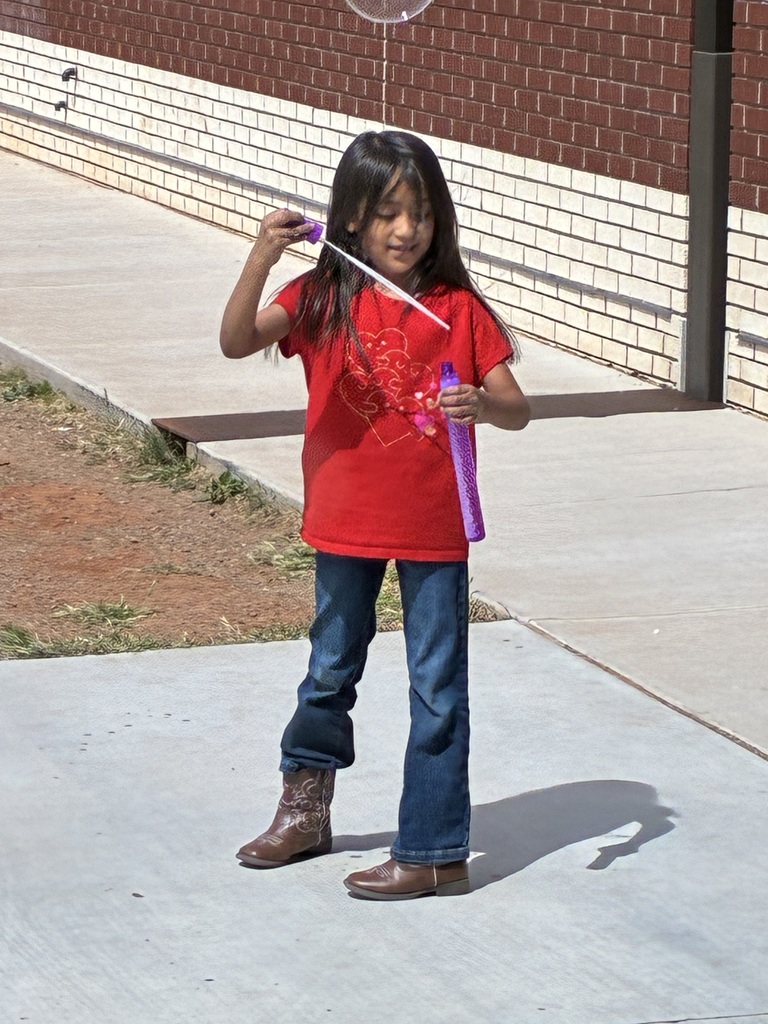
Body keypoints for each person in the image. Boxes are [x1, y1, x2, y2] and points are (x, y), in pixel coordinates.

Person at [219, 130, 530, 900]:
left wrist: (481, 405)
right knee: (329, 670)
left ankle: (431, 850)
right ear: (351, 219)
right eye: (387, 211)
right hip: (345, 522)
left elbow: (517, 409)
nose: (404, 229)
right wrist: (263, 254)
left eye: (420, 212)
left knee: (437, 687)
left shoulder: (458, 308)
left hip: (434, 529)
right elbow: (233, 342)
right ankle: (304, 811)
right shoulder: (322, 297)